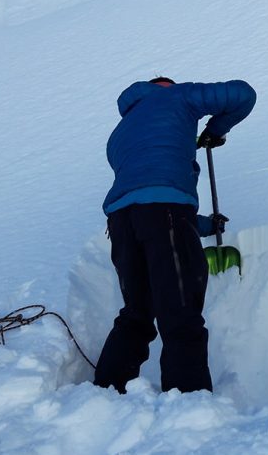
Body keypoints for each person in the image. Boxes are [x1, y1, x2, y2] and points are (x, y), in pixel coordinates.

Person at [93, 76, 256, 393]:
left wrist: (205, 225)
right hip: (166, 213)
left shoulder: (120, 134)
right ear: (165, 86)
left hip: (121, 222)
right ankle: (188, 400)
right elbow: (242, 95)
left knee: (136, 314)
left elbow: (147, 197)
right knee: (180, 312)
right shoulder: (178, 97)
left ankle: (105, 392)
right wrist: (213, 132)